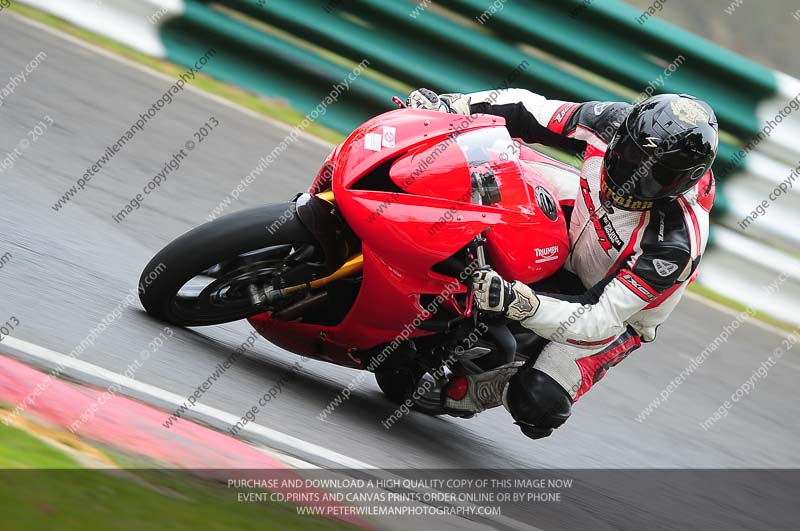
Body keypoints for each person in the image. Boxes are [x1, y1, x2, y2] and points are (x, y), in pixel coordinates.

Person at [406, 88, 718, 439]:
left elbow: (600, 316)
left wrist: (520, 304)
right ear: (623, 134)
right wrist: (454, 106)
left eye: (658, 176)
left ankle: (493, 386)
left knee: (538, 401)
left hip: (614, 311)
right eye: (631, 155)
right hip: (577, 221)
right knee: (485, 164)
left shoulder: (675, 244)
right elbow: (528, 110)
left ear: (685, 182)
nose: (636, 178)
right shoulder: (609, 120)